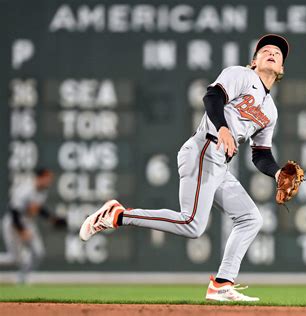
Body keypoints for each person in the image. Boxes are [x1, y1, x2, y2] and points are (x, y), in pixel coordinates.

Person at [80, 34, 290, 301]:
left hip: (220, 164)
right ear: (253, 61)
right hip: (205, 148)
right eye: (265, 50)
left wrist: (278, 172)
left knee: (251, 219)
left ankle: (222, 284)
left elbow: (260, 154)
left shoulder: (270, 111)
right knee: (192, 224)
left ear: (281, 68)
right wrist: (223, 127)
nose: (271, 53)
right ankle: (117, 215)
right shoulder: (241, 75)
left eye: (277, 53)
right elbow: (212, 97)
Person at [0, 168, 66, 284]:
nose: (50, 181)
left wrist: (51, 218)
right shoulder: (25, 189)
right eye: (48, 178)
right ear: (40, 177)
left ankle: (22, 280)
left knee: (38, 253)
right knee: (14, 258)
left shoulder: (42, 191)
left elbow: (36, 208)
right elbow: (14, 211)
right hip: (13, 223)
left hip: (27, 222)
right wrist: (22, 230)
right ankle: (22, 279)